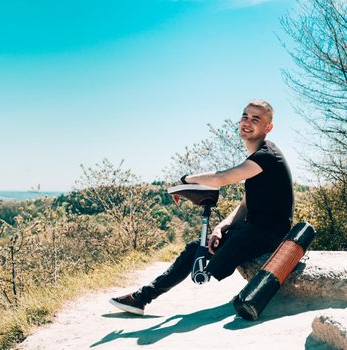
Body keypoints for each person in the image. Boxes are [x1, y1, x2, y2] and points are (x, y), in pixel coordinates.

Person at [109, 99, 294, 315]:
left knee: (205, 255)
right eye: (245, 116)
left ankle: (143, 297)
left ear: (268, 127)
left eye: (256, 119)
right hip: (253, 229)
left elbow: (221, 178)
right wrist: (221, 227)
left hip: (268, 234)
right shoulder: (258, 156)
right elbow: (246, 203)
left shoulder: (267, 156)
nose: (247, 122)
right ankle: (142, 298)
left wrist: (185, 179)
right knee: (198, 246)